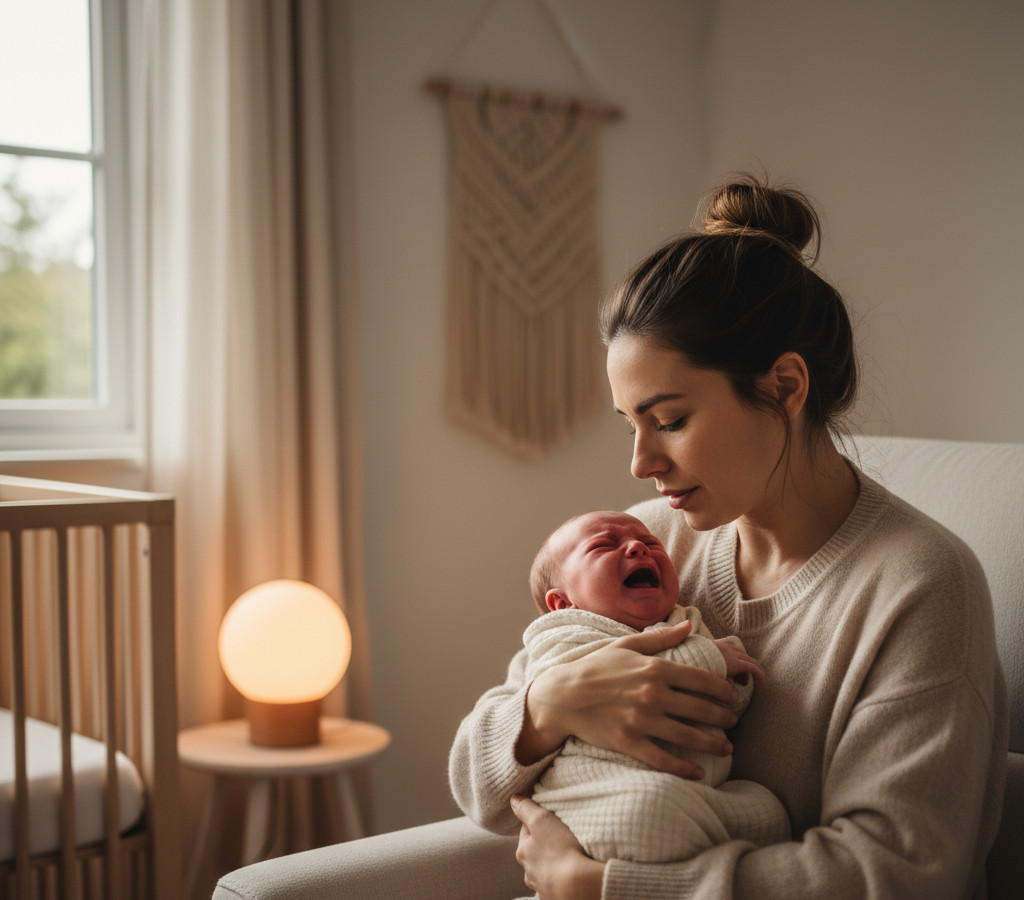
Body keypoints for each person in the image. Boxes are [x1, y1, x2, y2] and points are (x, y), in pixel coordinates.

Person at [448, 175, 1007, 900]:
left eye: (670, 420)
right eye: (632, 426)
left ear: (784, 387)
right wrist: (548, 706)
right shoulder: (646, 545)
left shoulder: (920, 586)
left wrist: (605, 888)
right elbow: (478, 790)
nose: (641, 463)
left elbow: (894, 877)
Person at [524, 509, 790, 865]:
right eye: (603, 546)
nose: (638, 547)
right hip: (603, 787)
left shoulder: (683, 622)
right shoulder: (564, 636)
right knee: (650, 810)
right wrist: (710, 658)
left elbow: (724, 705)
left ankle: (699, 871)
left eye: (651, 543)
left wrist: (736, 683)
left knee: (769, 812)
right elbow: (612, 677)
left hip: (696, 789)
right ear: (563, 602)